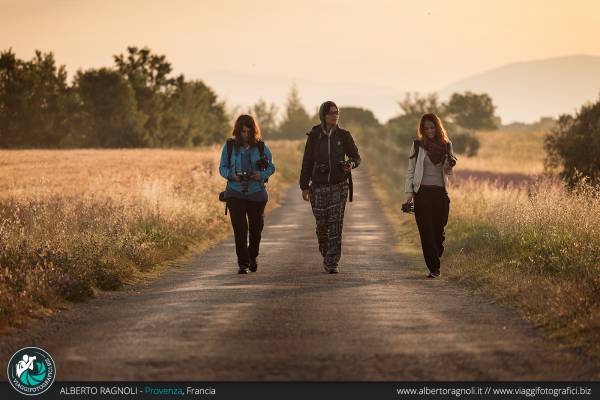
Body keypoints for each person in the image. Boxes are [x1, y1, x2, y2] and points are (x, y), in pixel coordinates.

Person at [300, 101, 361, 273]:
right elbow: (307, 161)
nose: (335, 115)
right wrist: (304, 186)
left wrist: (351, 164)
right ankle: (326, 251)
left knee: (336, 224)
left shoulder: (343, 135)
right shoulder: (314, 135)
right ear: (323, 115)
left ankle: (332, 261)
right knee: (322, 225)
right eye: (331, 112)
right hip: (317, 187)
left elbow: (356, 157)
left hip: (339, 186)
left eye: (337, 112)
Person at [219, 114, 275, 274]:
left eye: (249, 131)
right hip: (235, 192)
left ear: (253, 131)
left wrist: (261, 175)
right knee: (240, 229)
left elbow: (271, 167)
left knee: (256, 229)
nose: (245, 135)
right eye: (242, 131)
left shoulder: (261, 147)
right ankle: (243, 263)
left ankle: (253, 256)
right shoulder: (229, 146)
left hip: (256, 193)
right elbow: (222, 167)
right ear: (237, 131)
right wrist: (231, 175)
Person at [404, 113, 455, 278]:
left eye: (432, 127)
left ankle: (436, 255)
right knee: (426, 233)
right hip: (422, 193)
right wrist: (409, 195)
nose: (429, 131)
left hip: (440, 193)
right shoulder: (417, 145)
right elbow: (411, 170)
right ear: (422, 130)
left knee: (439, 233)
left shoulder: (446, 145)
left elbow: (449, 172)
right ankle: (434, 268)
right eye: (426, 128)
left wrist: (448, 166)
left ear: (437, 127)